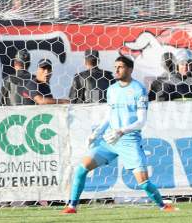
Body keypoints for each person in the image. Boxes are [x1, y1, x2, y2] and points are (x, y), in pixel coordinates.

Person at [62, 56, 176, 214]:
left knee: (143, 182)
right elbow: (110, 114)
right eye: (115, 66)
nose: (116, 70)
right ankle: (72, 206)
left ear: (130, 70)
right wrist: (96, 133)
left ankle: (163, 206)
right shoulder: (112, 89)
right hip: (110, 140)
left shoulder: (139, 89)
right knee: (82, 168)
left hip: (129, 140)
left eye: (120, 67)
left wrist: (121, 131)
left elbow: (141, 121)